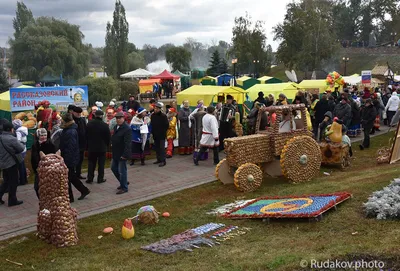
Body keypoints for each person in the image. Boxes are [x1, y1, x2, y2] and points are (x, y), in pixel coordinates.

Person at [59, 113, 90, 202]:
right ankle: (83, 190)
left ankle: (70, 197)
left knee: (68, 177)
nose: (61, 121)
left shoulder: (70, 131)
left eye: (62, 120)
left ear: (66, 121)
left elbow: (71, 147)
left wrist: (66, 160)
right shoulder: (68, 129)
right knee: (71, 176)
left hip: (69, 158)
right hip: (68, 157)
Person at [0, 122, 24, 206]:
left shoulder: (1, 137)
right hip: (11, 163)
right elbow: (21, 148)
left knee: (6, 180)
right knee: (14, 181)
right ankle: (12, 200)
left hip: (2, 163)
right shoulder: (11, 138)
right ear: (11, 129)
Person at [85, 110, 110, 184]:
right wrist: (107, 145)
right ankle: (100, 179)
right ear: (102, 116)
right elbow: (108, 137)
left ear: (95, 115)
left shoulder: (89, 124)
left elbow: (86, 135)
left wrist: (87, 145)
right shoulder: (104, 125)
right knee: (101, 164)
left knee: (91, 163)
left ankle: (90, 178)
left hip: (91, 147)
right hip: (102, 148)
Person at [31, 128, 56, 198]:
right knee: (37, 187)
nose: (43, 137)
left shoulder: (50, 144)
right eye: (41, 135)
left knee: (49, 186)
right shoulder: (35, 145)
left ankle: (49, 200)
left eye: (45, 135)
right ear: (38, 136)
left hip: (48, 169)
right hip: (38, 169)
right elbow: (33, 158)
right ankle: (41, 200)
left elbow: (53, 156)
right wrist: (36, 168)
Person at [111, 112, 132, 194]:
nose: (118, 119)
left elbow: (128, 143)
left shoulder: (127, 129)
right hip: (116, 152)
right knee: (113, 168)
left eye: (120, 118)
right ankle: (123, 182)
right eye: (117, 118)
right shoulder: (116, 126)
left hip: (122, 153)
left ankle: (124, 187)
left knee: (122, 171)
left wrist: (125, 155)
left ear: (123, 118)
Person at [150, 102, 169, 167]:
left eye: (157, 108)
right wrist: (152, 132)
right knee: (157, 148)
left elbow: (166, 125)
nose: (155, 110)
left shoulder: (163, 116)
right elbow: (152, 124)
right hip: (155, 134)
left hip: (161, 134)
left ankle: (163, 160)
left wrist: (163, 132)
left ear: (160, 109)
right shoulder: (152, 116)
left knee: (162, 148)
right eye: (155, 108)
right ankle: (158, 159)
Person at [71, 106, 87, 180]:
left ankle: (78, 173)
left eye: (80, 113)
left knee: (80, 159)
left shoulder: (82, 120)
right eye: (77, 113)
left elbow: (85, 129)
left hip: (82, 143)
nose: (79, 114)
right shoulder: (71, 120)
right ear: (73, 112)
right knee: (74, 159)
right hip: (74, 144)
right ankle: (72, 174)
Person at [12, 119, 28, 186]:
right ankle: (24, 179)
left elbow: (17, 141)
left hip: (20, 149)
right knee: (22, 165)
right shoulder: (24, 129)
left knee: (20, 166)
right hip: (24, 148)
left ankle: (22, 181)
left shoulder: (18, 132)